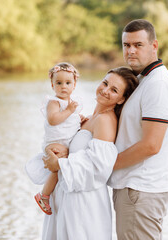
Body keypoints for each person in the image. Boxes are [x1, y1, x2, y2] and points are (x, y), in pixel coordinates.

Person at [26, 67, 138, 240]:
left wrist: (60, 164)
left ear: (122, 99)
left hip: (84, 203)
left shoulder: (105, 120)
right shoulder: (90, 117)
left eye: (114, 90)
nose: (105, 90)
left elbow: (98, 166)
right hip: (67, 196)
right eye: (105, 83)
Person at [107, 19, 168, 239]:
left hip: (140, 190)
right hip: (135, 189)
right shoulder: (144, 80)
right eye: (126, 45)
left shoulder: (158, 85)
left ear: (154, 45)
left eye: (138, 45)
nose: (130, 51)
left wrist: (105, 165)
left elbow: (151, 145)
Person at [25, 62, 84, 215]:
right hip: (54, 144)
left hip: (64, 142)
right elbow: (53, 119)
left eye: (68, 83)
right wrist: (70, 111)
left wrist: (80, 118)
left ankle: (53, 195)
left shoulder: (72, 104)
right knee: (57, 168)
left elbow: (71, 120)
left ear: (74, 84)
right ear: (52, 85)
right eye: (59, 83)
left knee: (62, 168)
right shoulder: (54, 102)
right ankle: (43, 195)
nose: (63, 86)